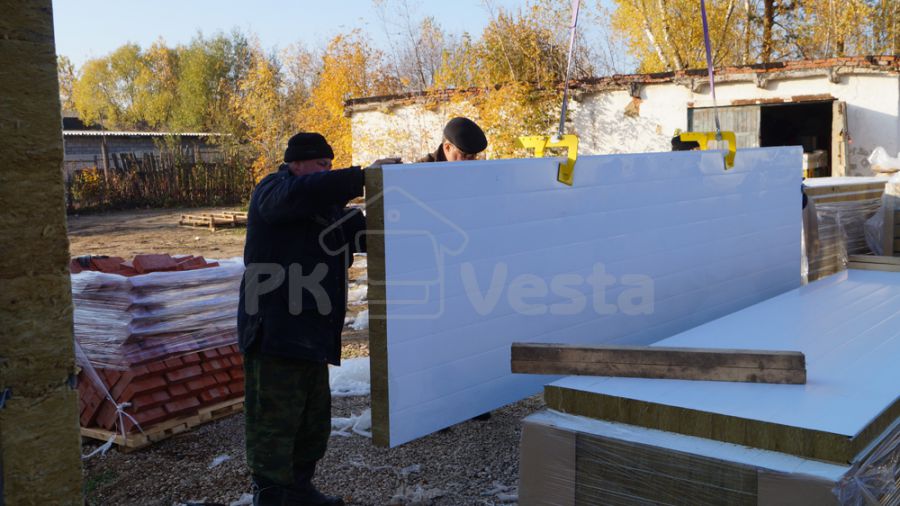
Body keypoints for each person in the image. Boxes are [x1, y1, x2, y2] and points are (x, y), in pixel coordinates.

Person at [238, 132, 366, 506]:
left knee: (312, 423)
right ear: (296, 164)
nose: (327, 171)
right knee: (274, 424)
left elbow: (364, 235)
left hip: (312, 333)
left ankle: (299, 490)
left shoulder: (327, 210)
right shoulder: (272, 191)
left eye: (330, 165)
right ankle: (271, 496)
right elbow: (301, 195)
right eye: (321, 165)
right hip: (275, 331)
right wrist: (360, 177)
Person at [418, 116, 488, 163]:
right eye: (466, 156)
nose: (471, 162)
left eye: (474, 156)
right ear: (447, 147)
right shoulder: (420, 172)